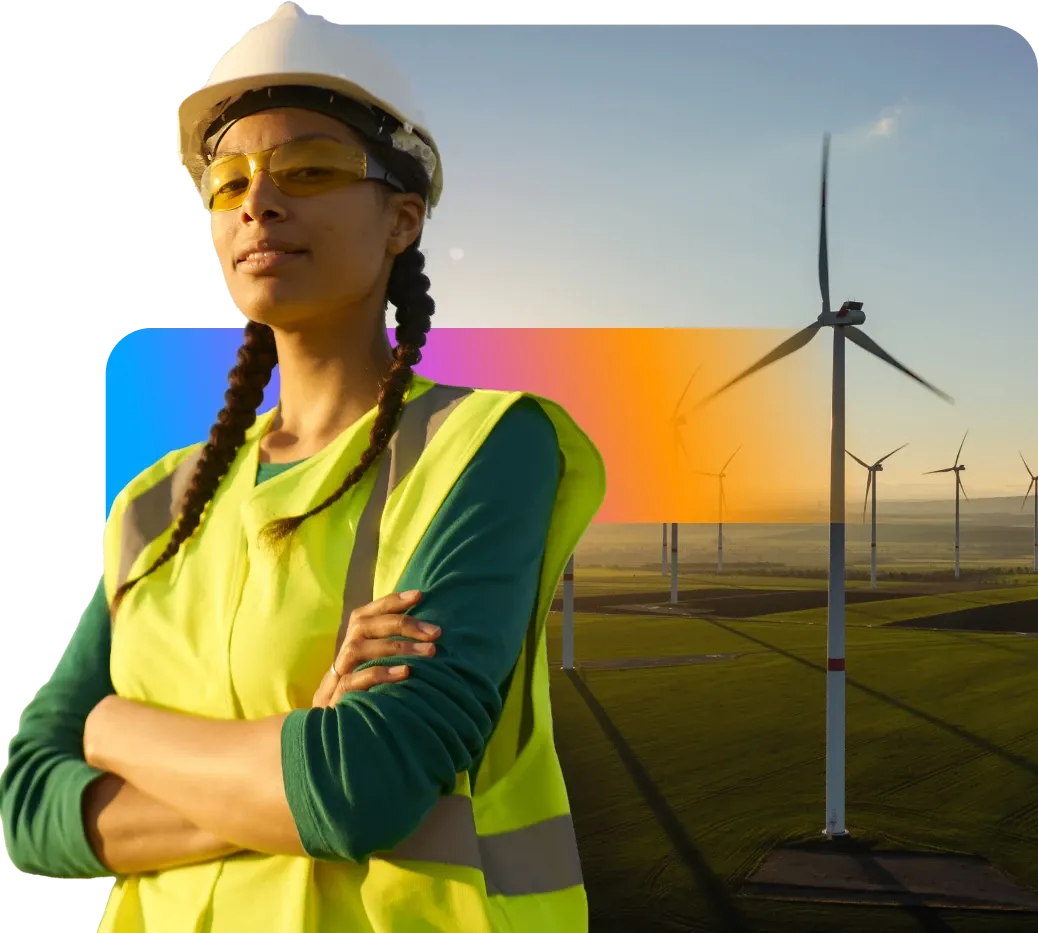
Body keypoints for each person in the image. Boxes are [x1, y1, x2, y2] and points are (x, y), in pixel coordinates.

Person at [0, 4, 606, 933]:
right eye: (229, 180)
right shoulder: (155, 504)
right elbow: (30, 809)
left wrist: (116, 730)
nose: (258, 204)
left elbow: (362, 785)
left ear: (403, 219)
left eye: (310, 169)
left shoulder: (484, 446)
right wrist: (283, 766)